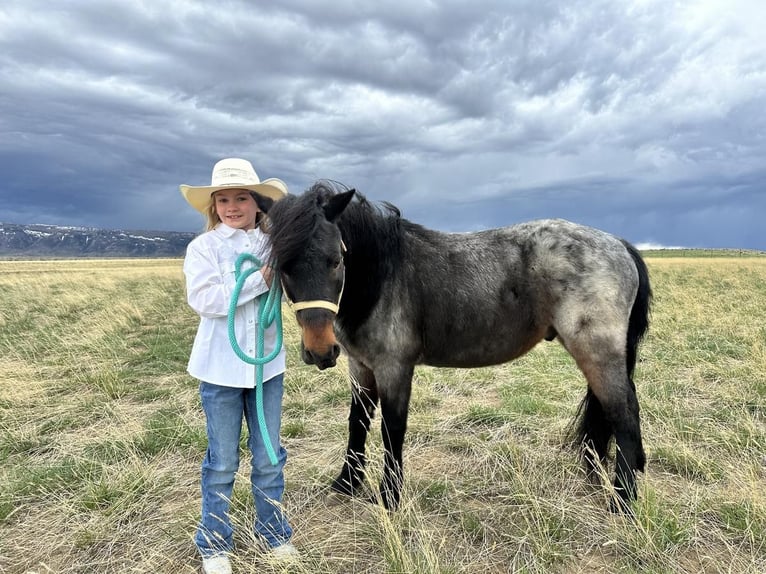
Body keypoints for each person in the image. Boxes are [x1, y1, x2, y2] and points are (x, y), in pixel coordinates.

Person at [180, 158, 297, 574]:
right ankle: (213, 542)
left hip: (266, 368)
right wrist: (258, 281)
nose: (232, 206)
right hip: (220, 371)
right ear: (214, 205)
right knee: (222, 460)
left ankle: (273, 533)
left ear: (256, 202)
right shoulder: (204, 248)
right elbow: (206, 301)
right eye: (224, 199)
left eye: (241, 197)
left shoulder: (274, 245)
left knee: (268, 456)